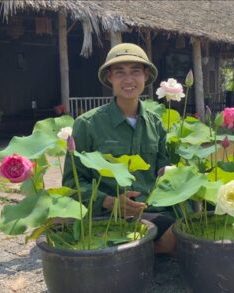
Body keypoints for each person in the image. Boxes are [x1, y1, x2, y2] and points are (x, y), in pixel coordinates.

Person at [62, 43, 175, 255]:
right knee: (176, 236)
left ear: (146, 76)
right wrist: (108, 201)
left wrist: (175, 174)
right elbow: (71, 183)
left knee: (194, 226)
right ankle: (136, 251)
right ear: (109, 78)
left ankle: (137, 250)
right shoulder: (87, 124)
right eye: (120, 72)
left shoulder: (156, 123)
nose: (128, 80)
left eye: (135, 71)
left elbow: (163, 173)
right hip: (106, 214)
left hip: (151, 210)